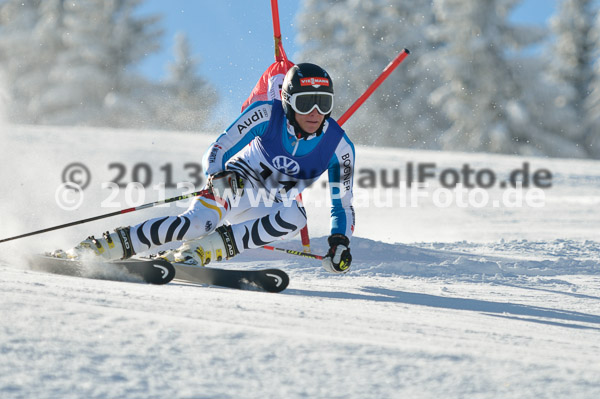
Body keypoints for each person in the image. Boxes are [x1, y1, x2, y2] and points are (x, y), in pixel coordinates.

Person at [63, 63, 355, 273]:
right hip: (236, 184)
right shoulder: (267, 114)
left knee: (296, 216)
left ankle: (199, 252)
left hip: (269, 204)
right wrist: (218, 174)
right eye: (305, 104)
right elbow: (218, 148)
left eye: (323, 103)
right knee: (195, 224)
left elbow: (342, 206)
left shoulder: (339, 147)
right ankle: (103, 247)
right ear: (288, 101)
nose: (315, 113)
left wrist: (339, 241)